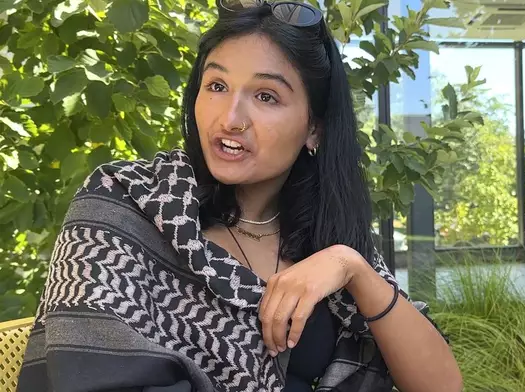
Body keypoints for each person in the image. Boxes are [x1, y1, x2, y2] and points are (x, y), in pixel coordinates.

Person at [17, 1, 462, 391]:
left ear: (314, 128)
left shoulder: (326, 228)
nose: (230, 118)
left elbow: (443, 385)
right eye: (216, 86)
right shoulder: (124, 203)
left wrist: (353, 268)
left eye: (266, 96)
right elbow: (89, 369)